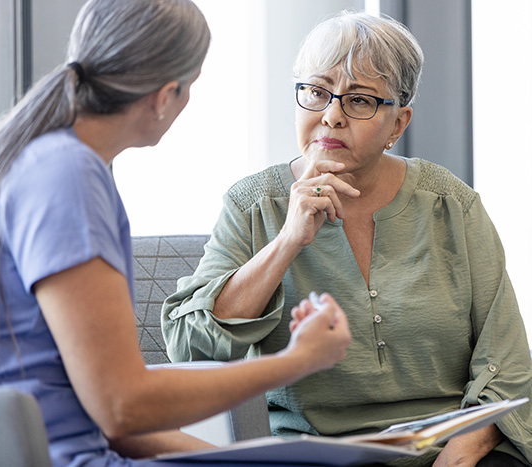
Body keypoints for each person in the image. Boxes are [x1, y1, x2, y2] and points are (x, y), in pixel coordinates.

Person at [0, 0, 353, 466]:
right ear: (166, 94)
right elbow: (124, 405)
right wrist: (297, 361)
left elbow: (108, 418)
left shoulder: (45, 162)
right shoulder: (68, 178)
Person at [161, 10, 532, 467]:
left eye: (359, 101)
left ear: (398, 124)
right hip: (318, 455)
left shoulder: (452, 204)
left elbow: (508, 362)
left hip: (455, 450)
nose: (331, 116)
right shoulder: (253, 205)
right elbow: (189, 347)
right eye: (316, 93)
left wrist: (460, 455)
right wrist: (287, 242)